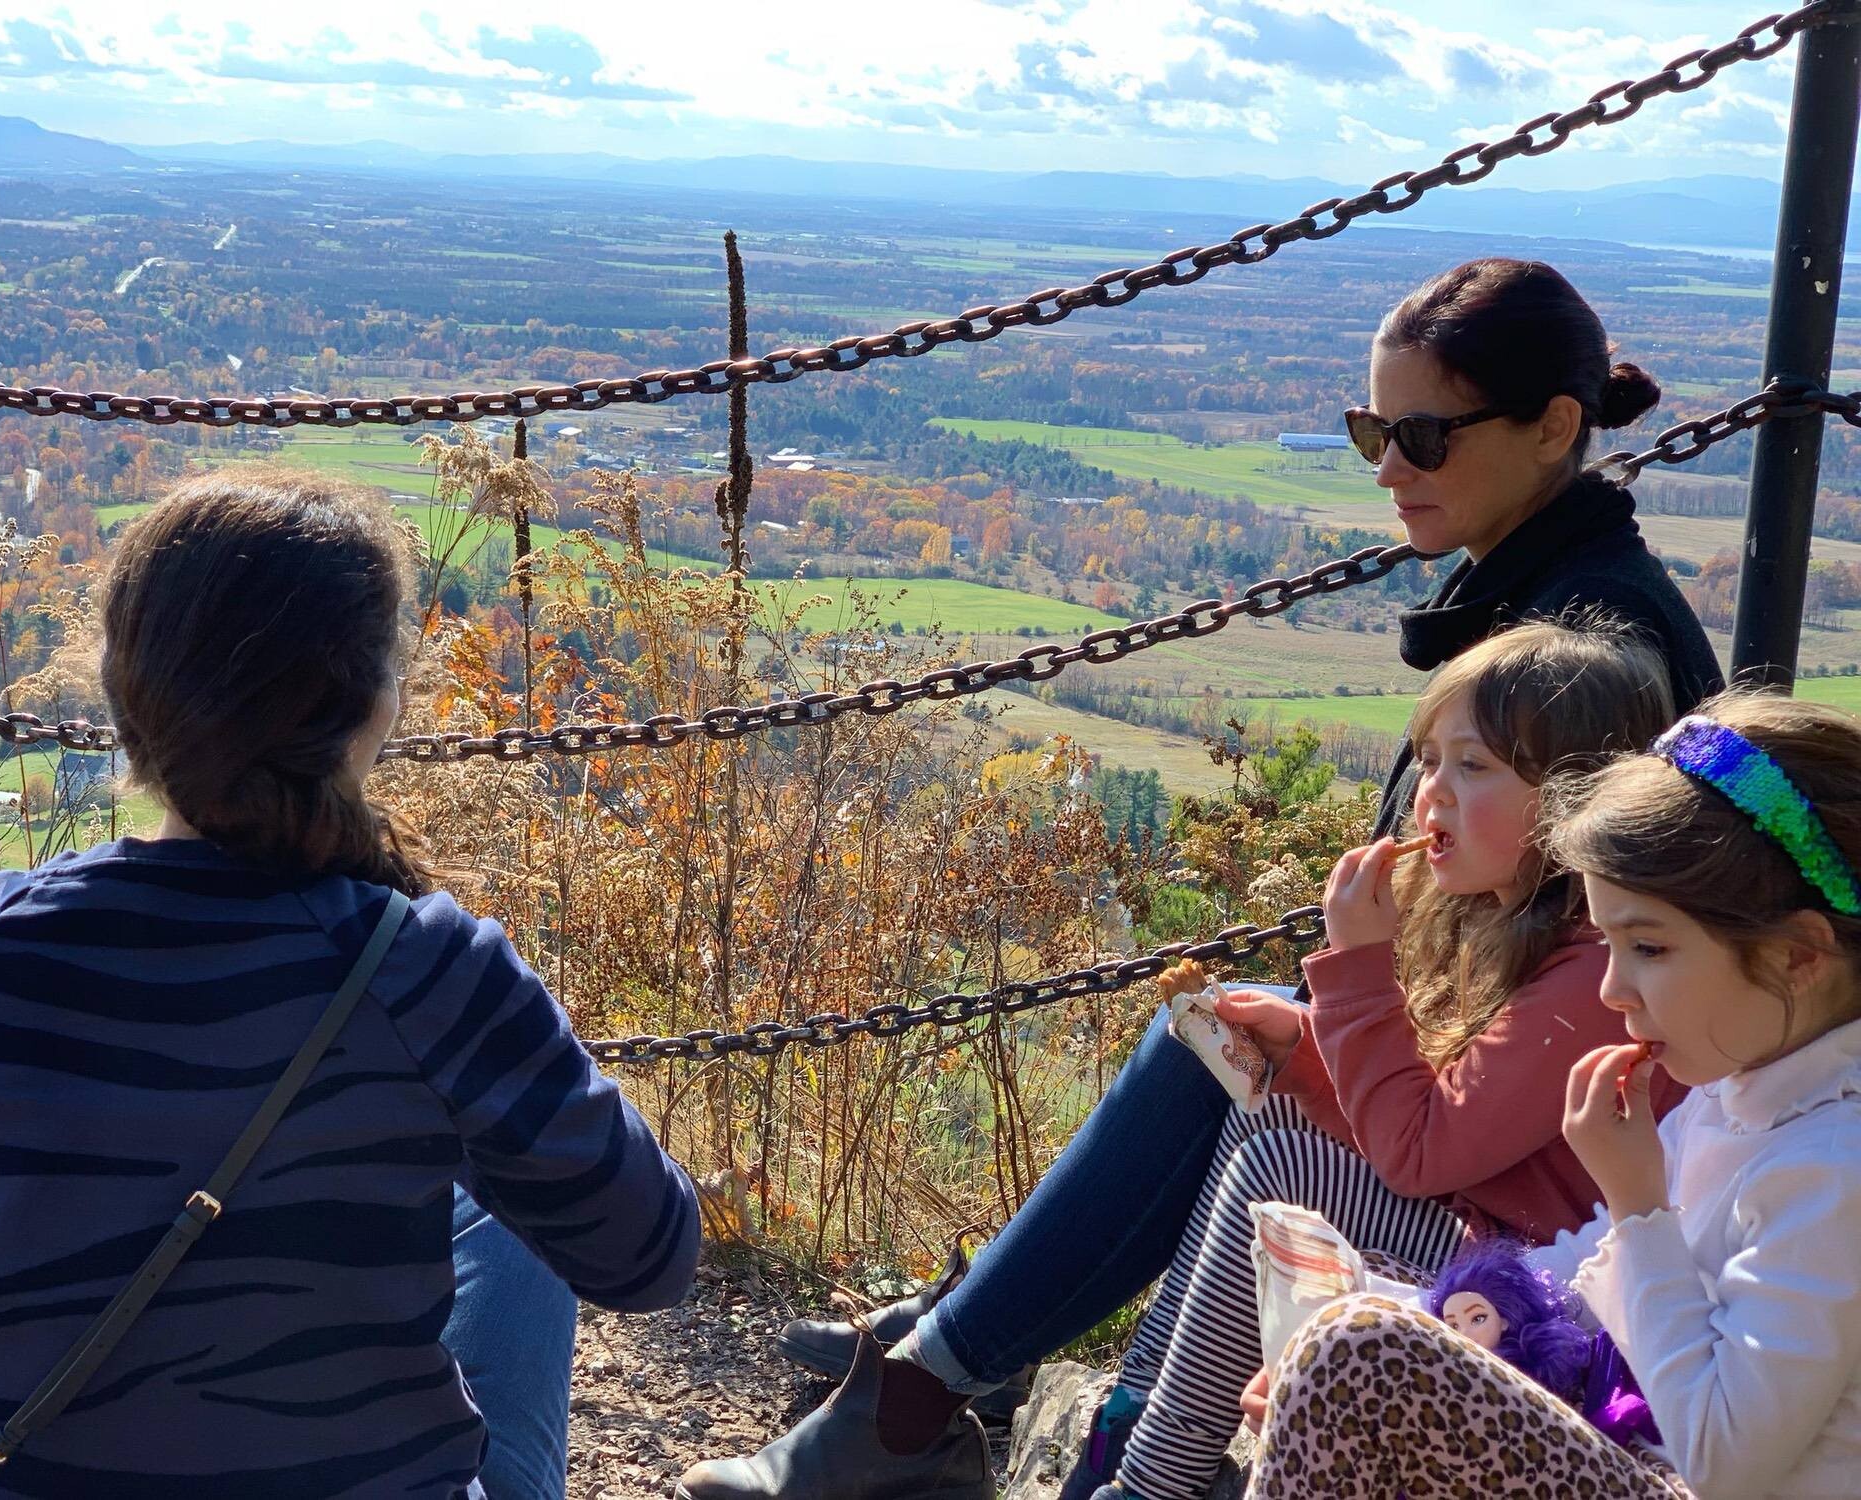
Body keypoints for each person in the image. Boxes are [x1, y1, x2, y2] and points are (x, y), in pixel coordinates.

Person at [677, 256, 1721, 1500]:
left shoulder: (1595, 647)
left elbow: (1506, 1053)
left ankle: (946, 1388)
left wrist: (1351, 983)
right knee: (1219, 1045)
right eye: (1369, 430)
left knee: (1234, 1095)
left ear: (1554, 429)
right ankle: (965, 1364)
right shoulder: (1534, 592)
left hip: (1520, 1201)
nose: (1388, 465)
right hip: (1480, 1086)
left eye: (1423, 435)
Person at [0, 469, 701, 1499]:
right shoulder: (426, 967)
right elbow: (650, 1256)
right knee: (503, 1206)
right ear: (371, 704)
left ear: (128, 688)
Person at [1082, 621, 1684, 1500]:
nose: (1431, 795)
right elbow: (1438, 1126)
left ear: (1570, 799)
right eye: (1427, 761)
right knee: (1277, 1112)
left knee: (1280, 1163)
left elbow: (1420, 1151)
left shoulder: (1591, 973)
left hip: (1541, 1295)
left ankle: (1147, 1482)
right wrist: (1308, 1053)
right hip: (1492, 1241)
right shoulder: (1521, 926)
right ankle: (1144, 1432)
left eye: (1472, 767)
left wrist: (1360, 968)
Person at [1246, 692, 1861, 1497]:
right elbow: (1582, 1277)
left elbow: (1724, 1460)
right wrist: (1408, 1317)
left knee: (1357, 1351)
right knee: (1346, 1320)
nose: (1614, 990)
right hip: (1629, 1444)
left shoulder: (1834, 1166)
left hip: (1676, 1476)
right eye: (1608, 943)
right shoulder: (1738, 1095)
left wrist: (1640, 1206)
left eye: (1648, 947)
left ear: (1798, 956)